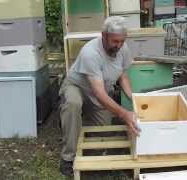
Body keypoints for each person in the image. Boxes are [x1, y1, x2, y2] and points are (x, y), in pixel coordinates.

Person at [59, 16, 141, 176]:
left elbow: (123, 76)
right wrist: (123, 113)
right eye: (115, 41)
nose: (118, 45)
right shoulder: (90, 52)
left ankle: (84, 119)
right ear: (104, 36)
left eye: (122, 41)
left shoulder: (122, 49)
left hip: (100, 92)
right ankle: (67, 158)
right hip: (77, 87)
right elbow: (100, 93)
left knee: (103, 137)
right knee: (73, 105)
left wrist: (133, 97)